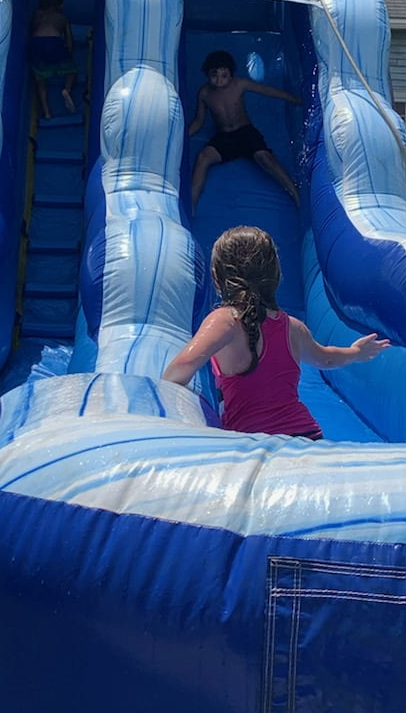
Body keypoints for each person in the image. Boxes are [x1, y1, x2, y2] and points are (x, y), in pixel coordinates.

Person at [161, 226, 390, 439]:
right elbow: (326, 358)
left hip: (253, 442)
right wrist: (355, 352)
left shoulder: (224, 321)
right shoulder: (292, 326)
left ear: (216, 277)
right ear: (276, 275)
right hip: (306, 436)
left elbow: (182, 367)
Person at [188, 51, 300, 210]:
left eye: (224, 75)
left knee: (266, 159)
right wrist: (184, 136)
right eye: (214, 75)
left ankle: (295, 194)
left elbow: (266, 90)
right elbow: (199, 121)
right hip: (224, 137)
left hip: (245, 133)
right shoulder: (205, 93)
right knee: (202, 158)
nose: (219, 80)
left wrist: (293, 99)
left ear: (231, 74)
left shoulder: (239, 84)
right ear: (207, 74)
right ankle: (191, 204)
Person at [28, 0, 77, 118]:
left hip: (37, 43)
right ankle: (67, 89)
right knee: (71, 69)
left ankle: (46, 111)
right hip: (54, 42)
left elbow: (32, 29)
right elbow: (69, 39)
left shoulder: (37, 14)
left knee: (40, 79)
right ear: (59, 5)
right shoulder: (62, 18)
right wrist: (68, 53)